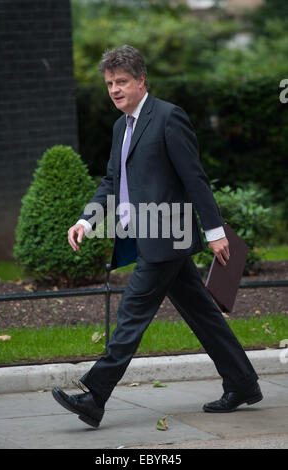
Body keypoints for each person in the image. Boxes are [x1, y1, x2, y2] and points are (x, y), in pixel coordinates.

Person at [52, 45, 262, 428]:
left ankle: (95, 396)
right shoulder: (121, 126)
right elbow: (113, 181)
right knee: (203, 314)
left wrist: (215, 231)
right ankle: (243, 382)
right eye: (109, 83)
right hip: (147, 234)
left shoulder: (168, 117)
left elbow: (193, 176)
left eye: (122, 82)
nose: (114, 89)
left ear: (141, 80)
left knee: (131, 314)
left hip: (168, 236)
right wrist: (86, 220)